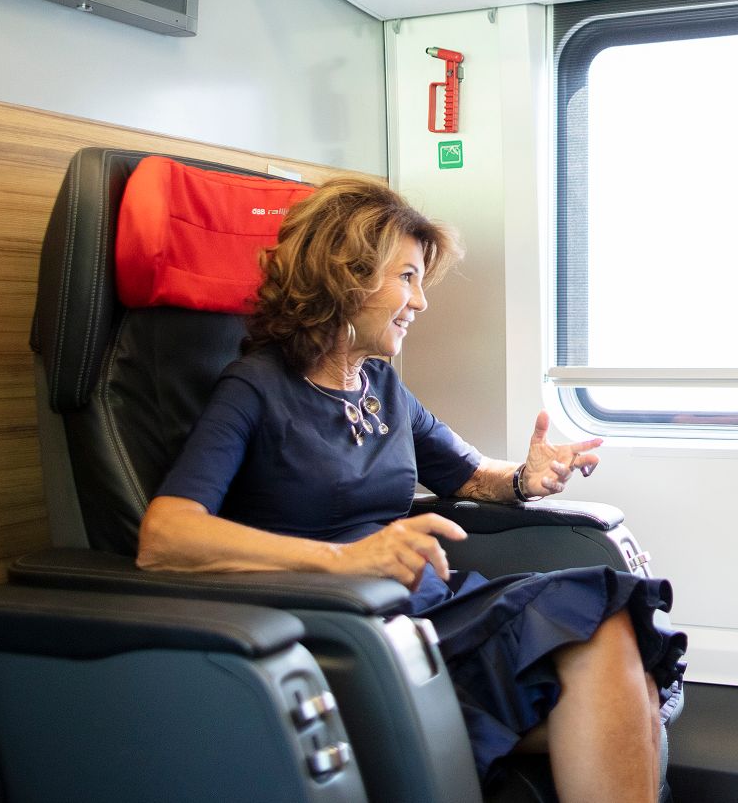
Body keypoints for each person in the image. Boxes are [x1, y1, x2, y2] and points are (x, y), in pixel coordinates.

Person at [137, 178, 685, 803]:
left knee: (618, 645)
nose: (420, 302)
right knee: (605, 637)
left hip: (432, 609)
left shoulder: (381, 387)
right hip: (352, 630)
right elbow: (165, 534)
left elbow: (468, 474)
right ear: (346, 276)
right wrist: (343, 559)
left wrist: (525, 479)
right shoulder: (255, 389)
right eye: (406, 277)